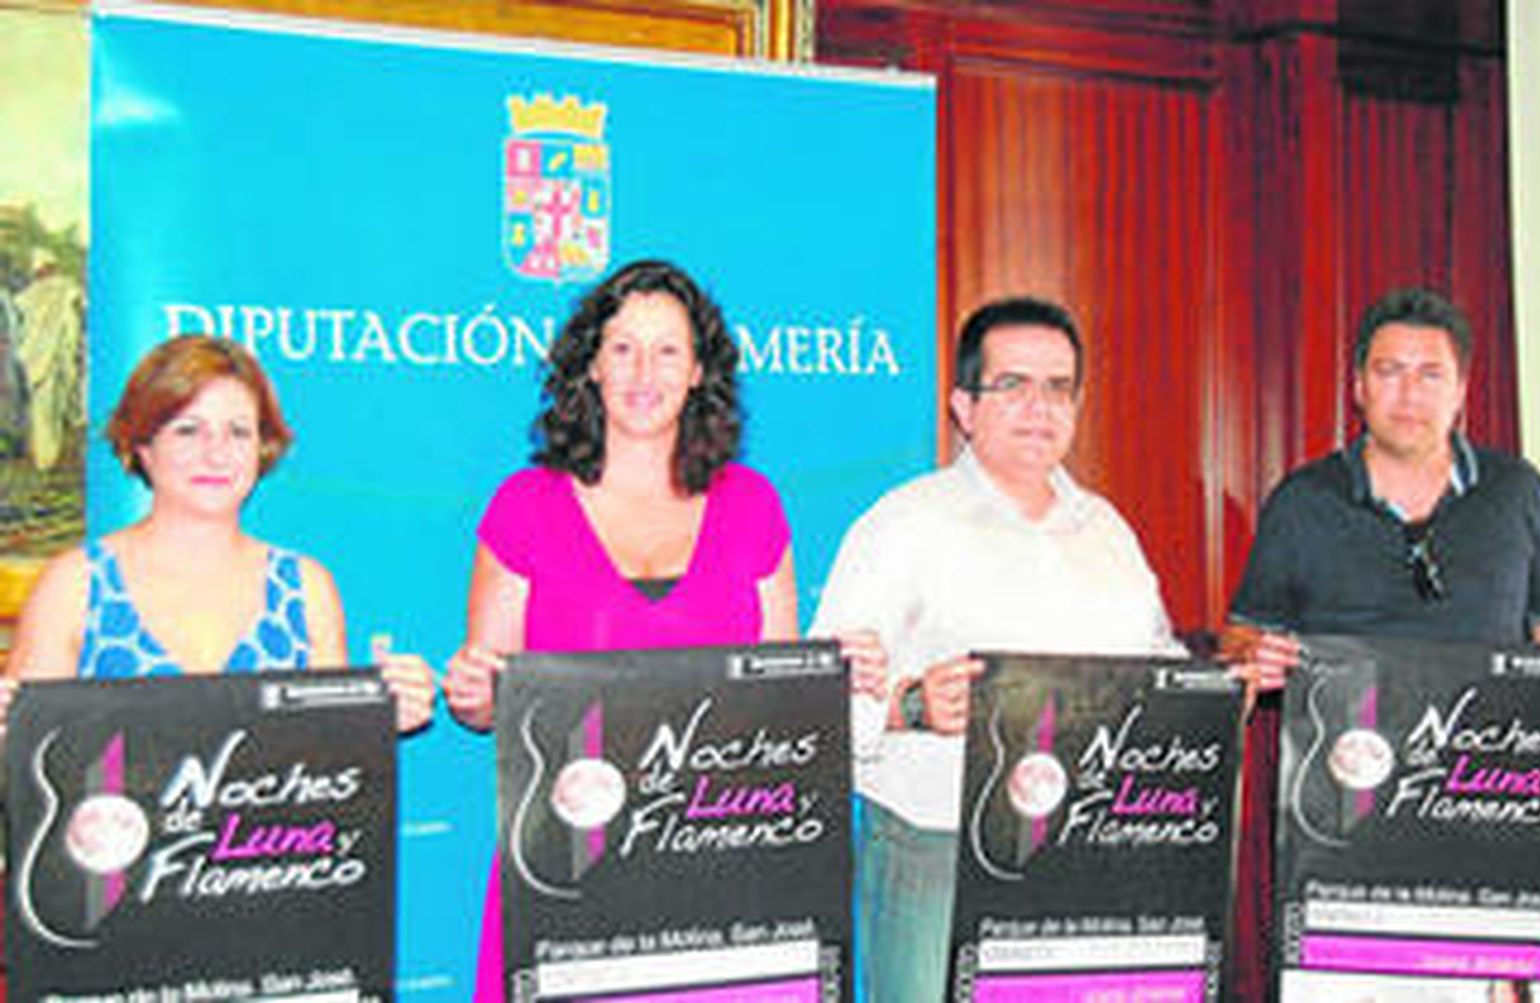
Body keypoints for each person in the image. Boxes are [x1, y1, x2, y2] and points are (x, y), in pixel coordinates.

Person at [442, 259, 881, 1002]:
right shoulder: (524, 505)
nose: (644, 371)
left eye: (667, 349)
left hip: (722, 862)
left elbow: (775, 696)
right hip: (568, 867)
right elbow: (487, 706)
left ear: (699, 369)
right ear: (588, 366)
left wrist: (828, 671)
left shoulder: (754, 505)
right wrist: (472, 689)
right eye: (622, 348)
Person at [1222, 286, 1540, 1001]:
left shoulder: (1517, 492)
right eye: (1390, 371)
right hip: (1342, 842)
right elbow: (1243, 635)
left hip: (1491, 821)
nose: (1409, 393)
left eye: (1431, 374)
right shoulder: (1302, 501)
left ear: (1463, 390)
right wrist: (1249, 660)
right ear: (1358, 385)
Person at [810, 296, 1181, 1000]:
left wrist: (1218, 693)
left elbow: (1156, 667)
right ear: (963, 405)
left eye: (1058, 387)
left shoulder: (1108, 530)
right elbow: (819, 687)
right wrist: (912, 705)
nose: (1038, 407)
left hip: (1087, 838)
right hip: (938, 844)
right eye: (1012, 385)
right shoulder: (903, 524)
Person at [1, 335, 436, 732]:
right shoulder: (75, 586)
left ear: (262, 448)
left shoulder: (305, 588)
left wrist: (379, 715)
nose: (216, 453)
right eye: (188, 430)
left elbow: (329, 750)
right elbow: (31, 763)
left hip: (276, 824)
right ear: (141, 446)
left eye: (238, 432)